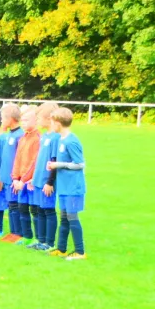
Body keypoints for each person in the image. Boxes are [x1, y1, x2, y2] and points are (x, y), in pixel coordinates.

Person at [47, 108, 87, 260]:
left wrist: (59, 165)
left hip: (73, 187)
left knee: (72, 216)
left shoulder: (72, 140)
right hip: (63, 186)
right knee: (63, 217)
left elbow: (80, 164)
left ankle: (80, 251)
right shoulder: (60, 140)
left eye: (52, 121)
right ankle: (61, 249)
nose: (51, 124)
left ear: (58, 123)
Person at [28, 102, 60, 250]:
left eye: (39, 117)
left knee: (48, 210)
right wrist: (33, 178)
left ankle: (49, 243)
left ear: (48, 118)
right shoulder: (44, 137)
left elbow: (54, 161)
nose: (38, 121)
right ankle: (40, 240)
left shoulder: (55, 138)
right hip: (38, 179)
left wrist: (50, 182)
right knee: (39, 209)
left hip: (47, 181)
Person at [11, 106, 41, 246]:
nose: (23, 122)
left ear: (36, 121)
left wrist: (24, 180)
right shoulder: (22, 138)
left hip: (30, 181)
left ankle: (39, 238)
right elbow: (17, 159)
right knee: (22, 208)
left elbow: (34, 162)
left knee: (34, 210)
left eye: (27, 120)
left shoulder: (37, 139)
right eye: (22, 120)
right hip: (20, 180)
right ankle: (26, 236)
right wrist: (15, 178)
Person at [0, 103, 25, 243]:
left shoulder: (20, 135)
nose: (1, 120)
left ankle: (18, 233)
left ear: (11, 119)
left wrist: (18, 177)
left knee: (15, 206)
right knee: (10, 205)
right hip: (7, 178)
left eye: (3, 117)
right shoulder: (9, 135)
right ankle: (13, 232)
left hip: (15, 178)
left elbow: (20, 159)